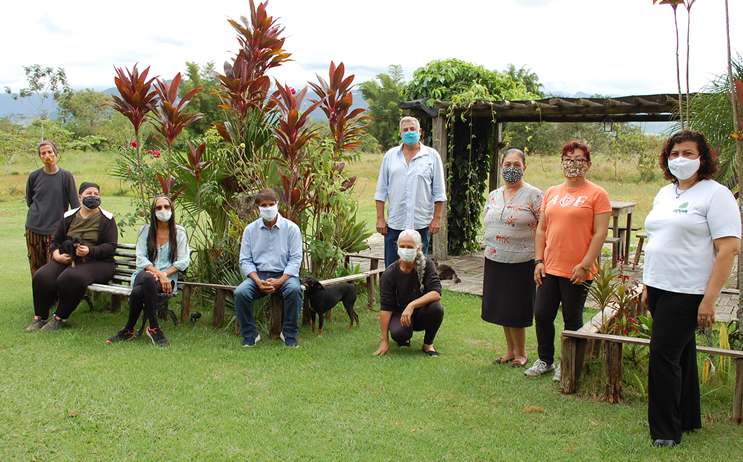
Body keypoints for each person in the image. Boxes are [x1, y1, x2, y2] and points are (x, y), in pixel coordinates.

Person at [641, 130, 740, 448]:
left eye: (687, 153)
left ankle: (665, 432)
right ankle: (686, 417)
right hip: (658, 286)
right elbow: (656, 240)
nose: (679, 159)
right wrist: (646, 285)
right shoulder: (664, 193)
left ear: (702, 158)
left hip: (688, 290)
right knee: (680, 353)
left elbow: (729, 249)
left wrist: (709, 301)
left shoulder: (715, 194)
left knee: (662, 353)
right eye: (674, 154)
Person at [526, 141, 611, 380]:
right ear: (561, 162)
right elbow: (542, 230)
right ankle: (545, 360)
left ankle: (569, 363)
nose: (572, 164)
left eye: (579, 159)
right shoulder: (552, 192)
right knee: (542, 314)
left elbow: (600, 233)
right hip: (550, 266)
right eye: (568, 159)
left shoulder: (597, 194)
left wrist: (585, 265)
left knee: (572, 318)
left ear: (588, 164)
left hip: (578, 269)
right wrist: (538, 260)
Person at [26, 182, 118, 331]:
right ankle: (40, 317)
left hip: (98, 262)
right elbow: (56, 241)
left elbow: (111, 246)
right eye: (89, 194)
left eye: (96, 194)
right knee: (41, 276)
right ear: (80, 196)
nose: (93, 197)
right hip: (69, 259)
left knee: (69, 277)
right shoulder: (69, 216)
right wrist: (56, 255)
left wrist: (89, 251)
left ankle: (60, 318)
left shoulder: (107, 219)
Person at [481, 149, 542, 368]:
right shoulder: (494, 194)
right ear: (501, 167)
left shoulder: (534, 195)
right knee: (502, 307)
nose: (511, 169)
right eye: (507, 165)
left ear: (524, 168)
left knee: (516, 309)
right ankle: (510, 351)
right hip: (495, 258)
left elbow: (544, 227)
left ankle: (522, 354)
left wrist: (541, 259)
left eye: (517, 165)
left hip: (522, 261)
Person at [107, 196, 190, 347]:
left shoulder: (179, 232)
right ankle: (154, 327)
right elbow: (141, 260)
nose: (163, 210)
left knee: (139, 291)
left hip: (167, 279)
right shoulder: (145, 230)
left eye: (166, 207)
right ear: (153, 211)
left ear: (171, 210)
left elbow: (183, 261)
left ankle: (128, 329)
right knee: (147, 278)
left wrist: (163, 275)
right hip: (144, 275)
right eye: (159, 208)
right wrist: (158, 273)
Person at [234, 188, 303, 347]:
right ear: (257, 208)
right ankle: (250, 334)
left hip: (285, 276)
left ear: (278, 205)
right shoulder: (250, 230)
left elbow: (295, 259)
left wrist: (281, 280)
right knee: (240, 293)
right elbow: (245, 260)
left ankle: (289, 334)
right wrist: (258, 281)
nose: (268, 208)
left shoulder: (291, 228)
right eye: (264, 205)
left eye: (271, 204)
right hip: (259, 276)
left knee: (294, 290)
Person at [374, 116, 447, 267]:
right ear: (400, 133)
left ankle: (417, 291)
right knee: (392, 267)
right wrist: (380, 218)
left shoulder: (432, 156)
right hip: (395, 224)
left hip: (421, 223)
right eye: (405, 130)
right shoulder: (390, 156)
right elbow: (381, 190)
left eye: (412, 129)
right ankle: (392, 292)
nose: (409, 132)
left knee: (419, 268)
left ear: (420, 132)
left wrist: (437, 219)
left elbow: (439, 192)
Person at [373, 229, 444, 356]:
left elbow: (436, 293)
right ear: (397, 247)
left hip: (422, 312)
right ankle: (404, 337)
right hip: (400, 314)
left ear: (418, 248)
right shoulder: (390, 273)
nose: (405, 250)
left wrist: (412, 305)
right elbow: (386, 307)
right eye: (402, 246)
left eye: (410, 247)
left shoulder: (427, 265)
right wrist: (384, 340)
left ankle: (428, 344)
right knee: (399, 333)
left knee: (436, 308)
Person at [25, 140, 80, 275]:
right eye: (43, 153)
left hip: (55, 231)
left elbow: (75, 206)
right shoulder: (34, 176)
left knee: (53, 268)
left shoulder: (66, 176)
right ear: (40, 157)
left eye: (50, 152)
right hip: (34, 228)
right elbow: (30, 200)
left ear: (56, 154)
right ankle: (39, 295)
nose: (47, 155)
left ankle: (54, 296)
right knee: (36, 267)